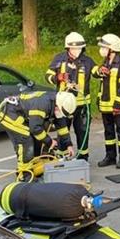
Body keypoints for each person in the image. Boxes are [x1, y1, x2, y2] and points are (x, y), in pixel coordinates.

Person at [0, 90, 77, 180]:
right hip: (8, 113)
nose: (60, 113)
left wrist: (68, 145)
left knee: (38, 137)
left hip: (19, 113)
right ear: (58, 105)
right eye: (60, 111)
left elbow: (62, 127)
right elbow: (35, 128)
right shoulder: (42, 105)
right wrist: (49, 141)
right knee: (25, 140)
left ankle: (34, 167)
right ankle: (24, 175)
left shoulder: (55, 103)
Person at [45, 32, 96, 160]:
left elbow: (96, 71)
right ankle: (63, 158)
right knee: (63, 131)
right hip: (63, 105)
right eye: (73, 48)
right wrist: (58, 77)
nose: (76, 51)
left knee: (83, 132)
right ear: (67, 48)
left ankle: (83, 158)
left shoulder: (87, 61)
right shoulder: (59, 59)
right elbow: (48, 76)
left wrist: (101, 71)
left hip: (82, 105)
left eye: (79, 48)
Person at [92, 33, 120, 169]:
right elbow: (96, 75)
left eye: (104, 47)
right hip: (105, 105)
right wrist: (99, 70)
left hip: (117, 106)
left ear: (112, 48)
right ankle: (110, 156)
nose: (101, 50)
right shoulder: (105, 63)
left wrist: (117, 104)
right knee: (108, 132)